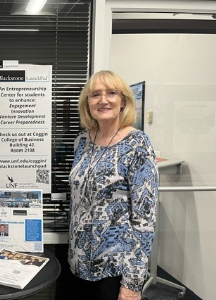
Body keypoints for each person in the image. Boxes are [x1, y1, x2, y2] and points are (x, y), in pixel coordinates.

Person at [67, 70, 159, 300]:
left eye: (111, 93)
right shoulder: (82, 141)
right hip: (77, 262)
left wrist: (133, 282)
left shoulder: (137, 144)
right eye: (95, 94)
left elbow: (144, 219)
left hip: (116, 268)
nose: (103, 100)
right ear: (87, 103)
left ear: (123, 101)